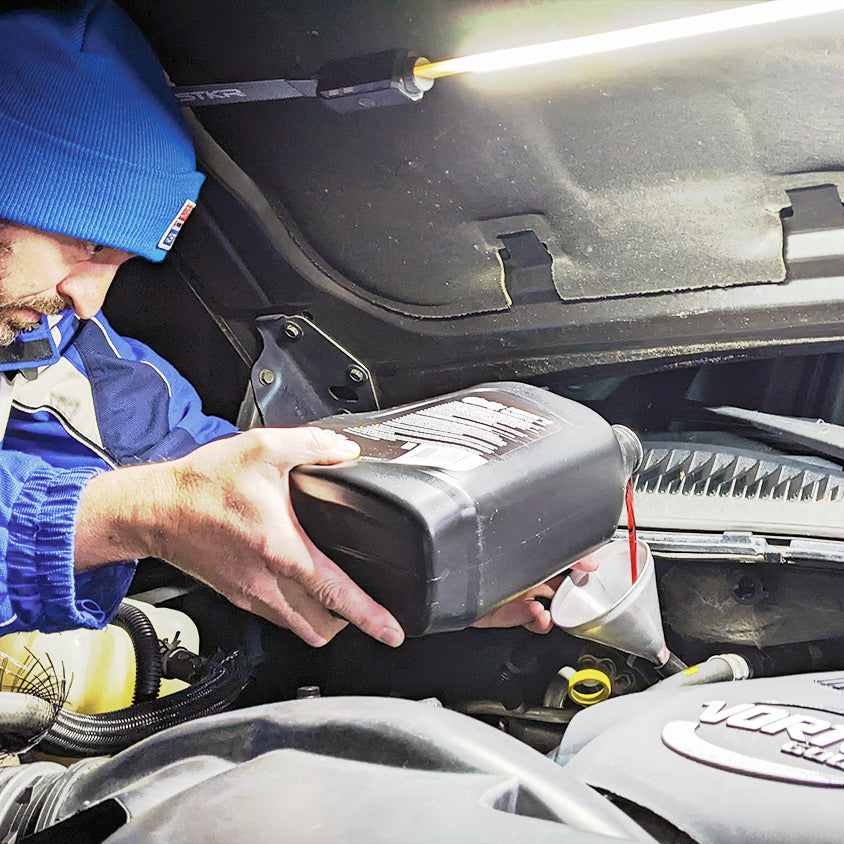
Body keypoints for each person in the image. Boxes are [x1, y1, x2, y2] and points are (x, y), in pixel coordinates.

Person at [0, 0, 571, 653]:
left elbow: (191, 466)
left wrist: (412, 556)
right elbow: (161, 500)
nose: (89, 303)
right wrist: (139, 515)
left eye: (121, 263)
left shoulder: (45, 344)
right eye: (89, 248)